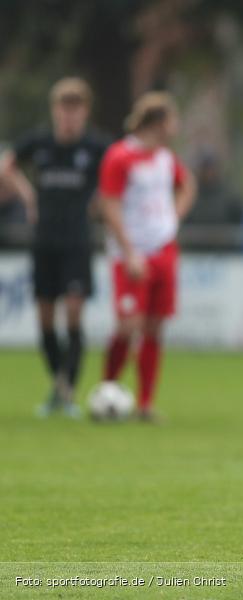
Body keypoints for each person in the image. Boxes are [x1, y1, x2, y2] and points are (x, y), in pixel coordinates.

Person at [0, 77, 109, 417]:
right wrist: (28, 196)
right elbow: (7, 165)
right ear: (55, 111)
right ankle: (58, 387)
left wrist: (100, 202)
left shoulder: (96, 147)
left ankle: (68, 392)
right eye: (64, 109)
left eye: (75, 109)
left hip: (77, 241)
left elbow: (116, 176)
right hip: (44, 240)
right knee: (45, 319)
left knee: (74, 312)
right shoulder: (39, 142)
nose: (68, 116)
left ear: (85, 112)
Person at [97, 92, 196, 422]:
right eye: (173, 120)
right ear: (159, 122)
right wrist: (129, 252)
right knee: (128, 326)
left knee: (154, 327)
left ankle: (145, 403)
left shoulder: (166, 158)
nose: (176, 126)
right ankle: (107, 389)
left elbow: (187, 186)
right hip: (131, 253)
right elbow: (109, 204)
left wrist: (172, 219)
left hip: (163, 250)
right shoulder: (120, 156)